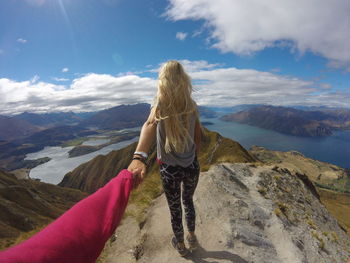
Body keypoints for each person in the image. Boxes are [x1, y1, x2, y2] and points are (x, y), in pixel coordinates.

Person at [128, 60, 202, 257]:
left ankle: (180, 245)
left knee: (175, 207)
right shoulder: (191, 105)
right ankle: (192, 236)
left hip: (170, 169)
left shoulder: (161, 104)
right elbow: (198, 137)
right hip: (192, 165)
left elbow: (149, 125)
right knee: (188, 201)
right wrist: (193, 156)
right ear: (183, 78)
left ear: (164, 79)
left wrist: (139, 156)